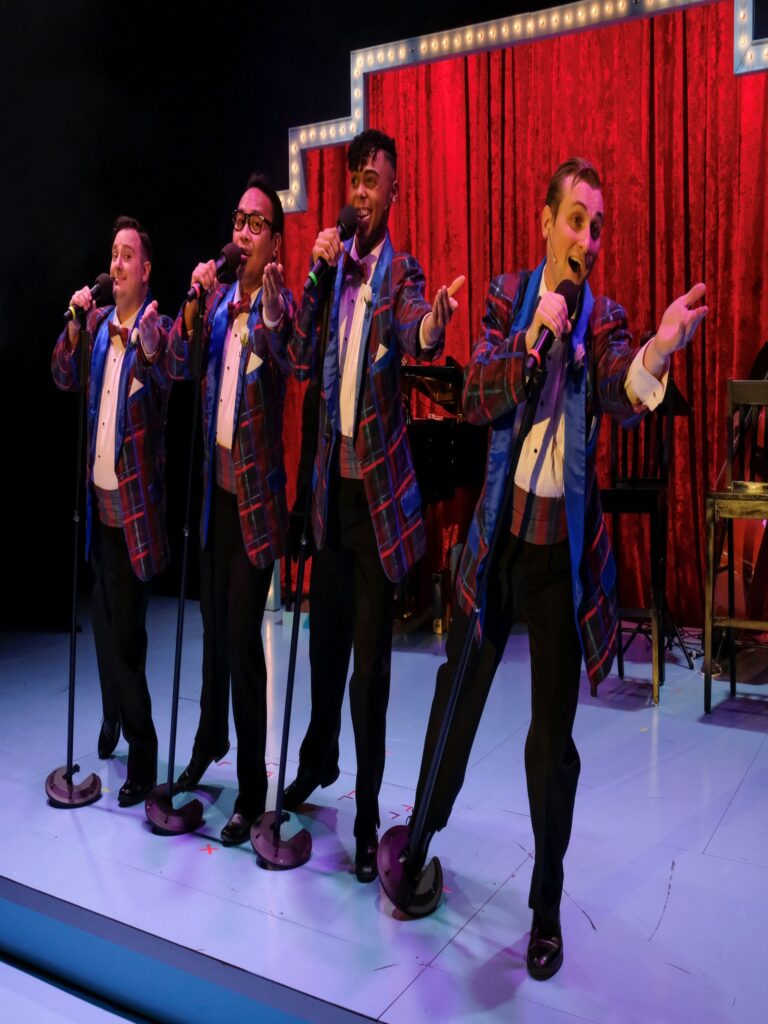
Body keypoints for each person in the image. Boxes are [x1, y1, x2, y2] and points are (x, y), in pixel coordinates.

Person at [401, 158, 707, 978]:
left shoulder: (604, 319)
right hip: (497, 541)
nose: (587, 238)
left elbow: (617, 388)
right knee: (456, 699)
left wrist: (657, 349)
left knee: (550, 744)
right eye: (576, 219)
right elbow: (478, 395)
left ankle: (544, 909)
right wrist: (534, 334)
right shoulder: (510, 297)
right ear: (545, 222)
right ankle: (418, 843)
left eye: (597, 227)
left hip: (559, 558)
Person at [284, 128, 460, 881]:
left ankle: (365, 819)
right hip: (331, 496)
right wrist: (316, 274)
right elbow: (299, 357)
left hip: (377, 505)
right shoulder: (332, 270)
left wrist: (433, 323)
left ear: (393, 193)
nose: (361, 189)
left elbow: (416, 329)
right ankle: (315, 763)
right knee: (323, 651)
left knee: (369, 673)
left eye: (373, 179)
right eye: (355, 177)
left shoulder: (398, 272)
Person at [169, 173, 296, 846]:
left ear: (274, 241)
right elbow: (180, 365)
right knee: (215, 631)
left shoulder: (281, 305)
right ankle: (207, 742)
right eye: (239, 221)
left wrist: (268, 314)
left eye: (257, 224)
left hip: (256, 504)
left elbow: (289, 354)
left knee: (244, 643)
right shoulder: (216, 303)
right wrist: (192, 305)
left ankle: (251, 791)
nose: (243, 232)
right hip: (214, 496)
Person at [52, 216, 172, 806]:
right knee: (102, 630)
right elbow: (61, 375)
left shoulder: (158, 331)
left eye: (128, 256)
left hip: (135, 520)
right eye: (113, 254)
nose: (117, 264)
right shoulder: (98, 325)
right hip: (97, 511)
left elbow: (169, 370)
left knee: (127, 642)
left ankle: (143, 756)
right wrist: (73, 326)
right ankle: (111, 717)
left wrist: (148, 349)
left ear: (145, 270)